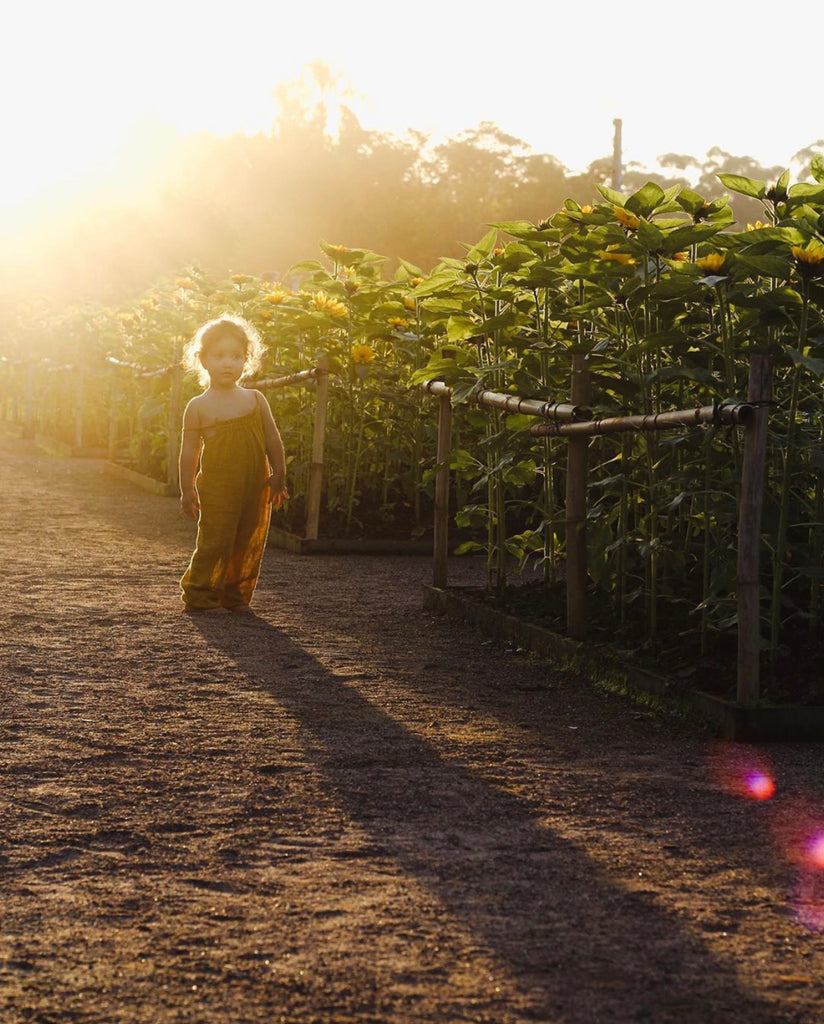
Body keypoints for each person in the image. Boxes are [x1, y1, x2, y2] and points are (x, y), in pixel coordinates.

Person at [178, 314, 287, 613]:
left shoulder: (255, 399)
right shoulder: (198, 406)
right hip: (217, 487)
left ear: (246, 361)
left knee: (246, 538)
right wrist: (187, 490)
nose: (228, 363)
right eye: (220, 355)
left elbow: (272, 440)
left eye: (236, 356)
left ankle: (234, 595)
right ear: (203, 360)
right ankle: (200, 594)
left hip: (254, 484)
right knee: (216, 538)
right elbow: (189, 452)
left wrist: (280, 474)